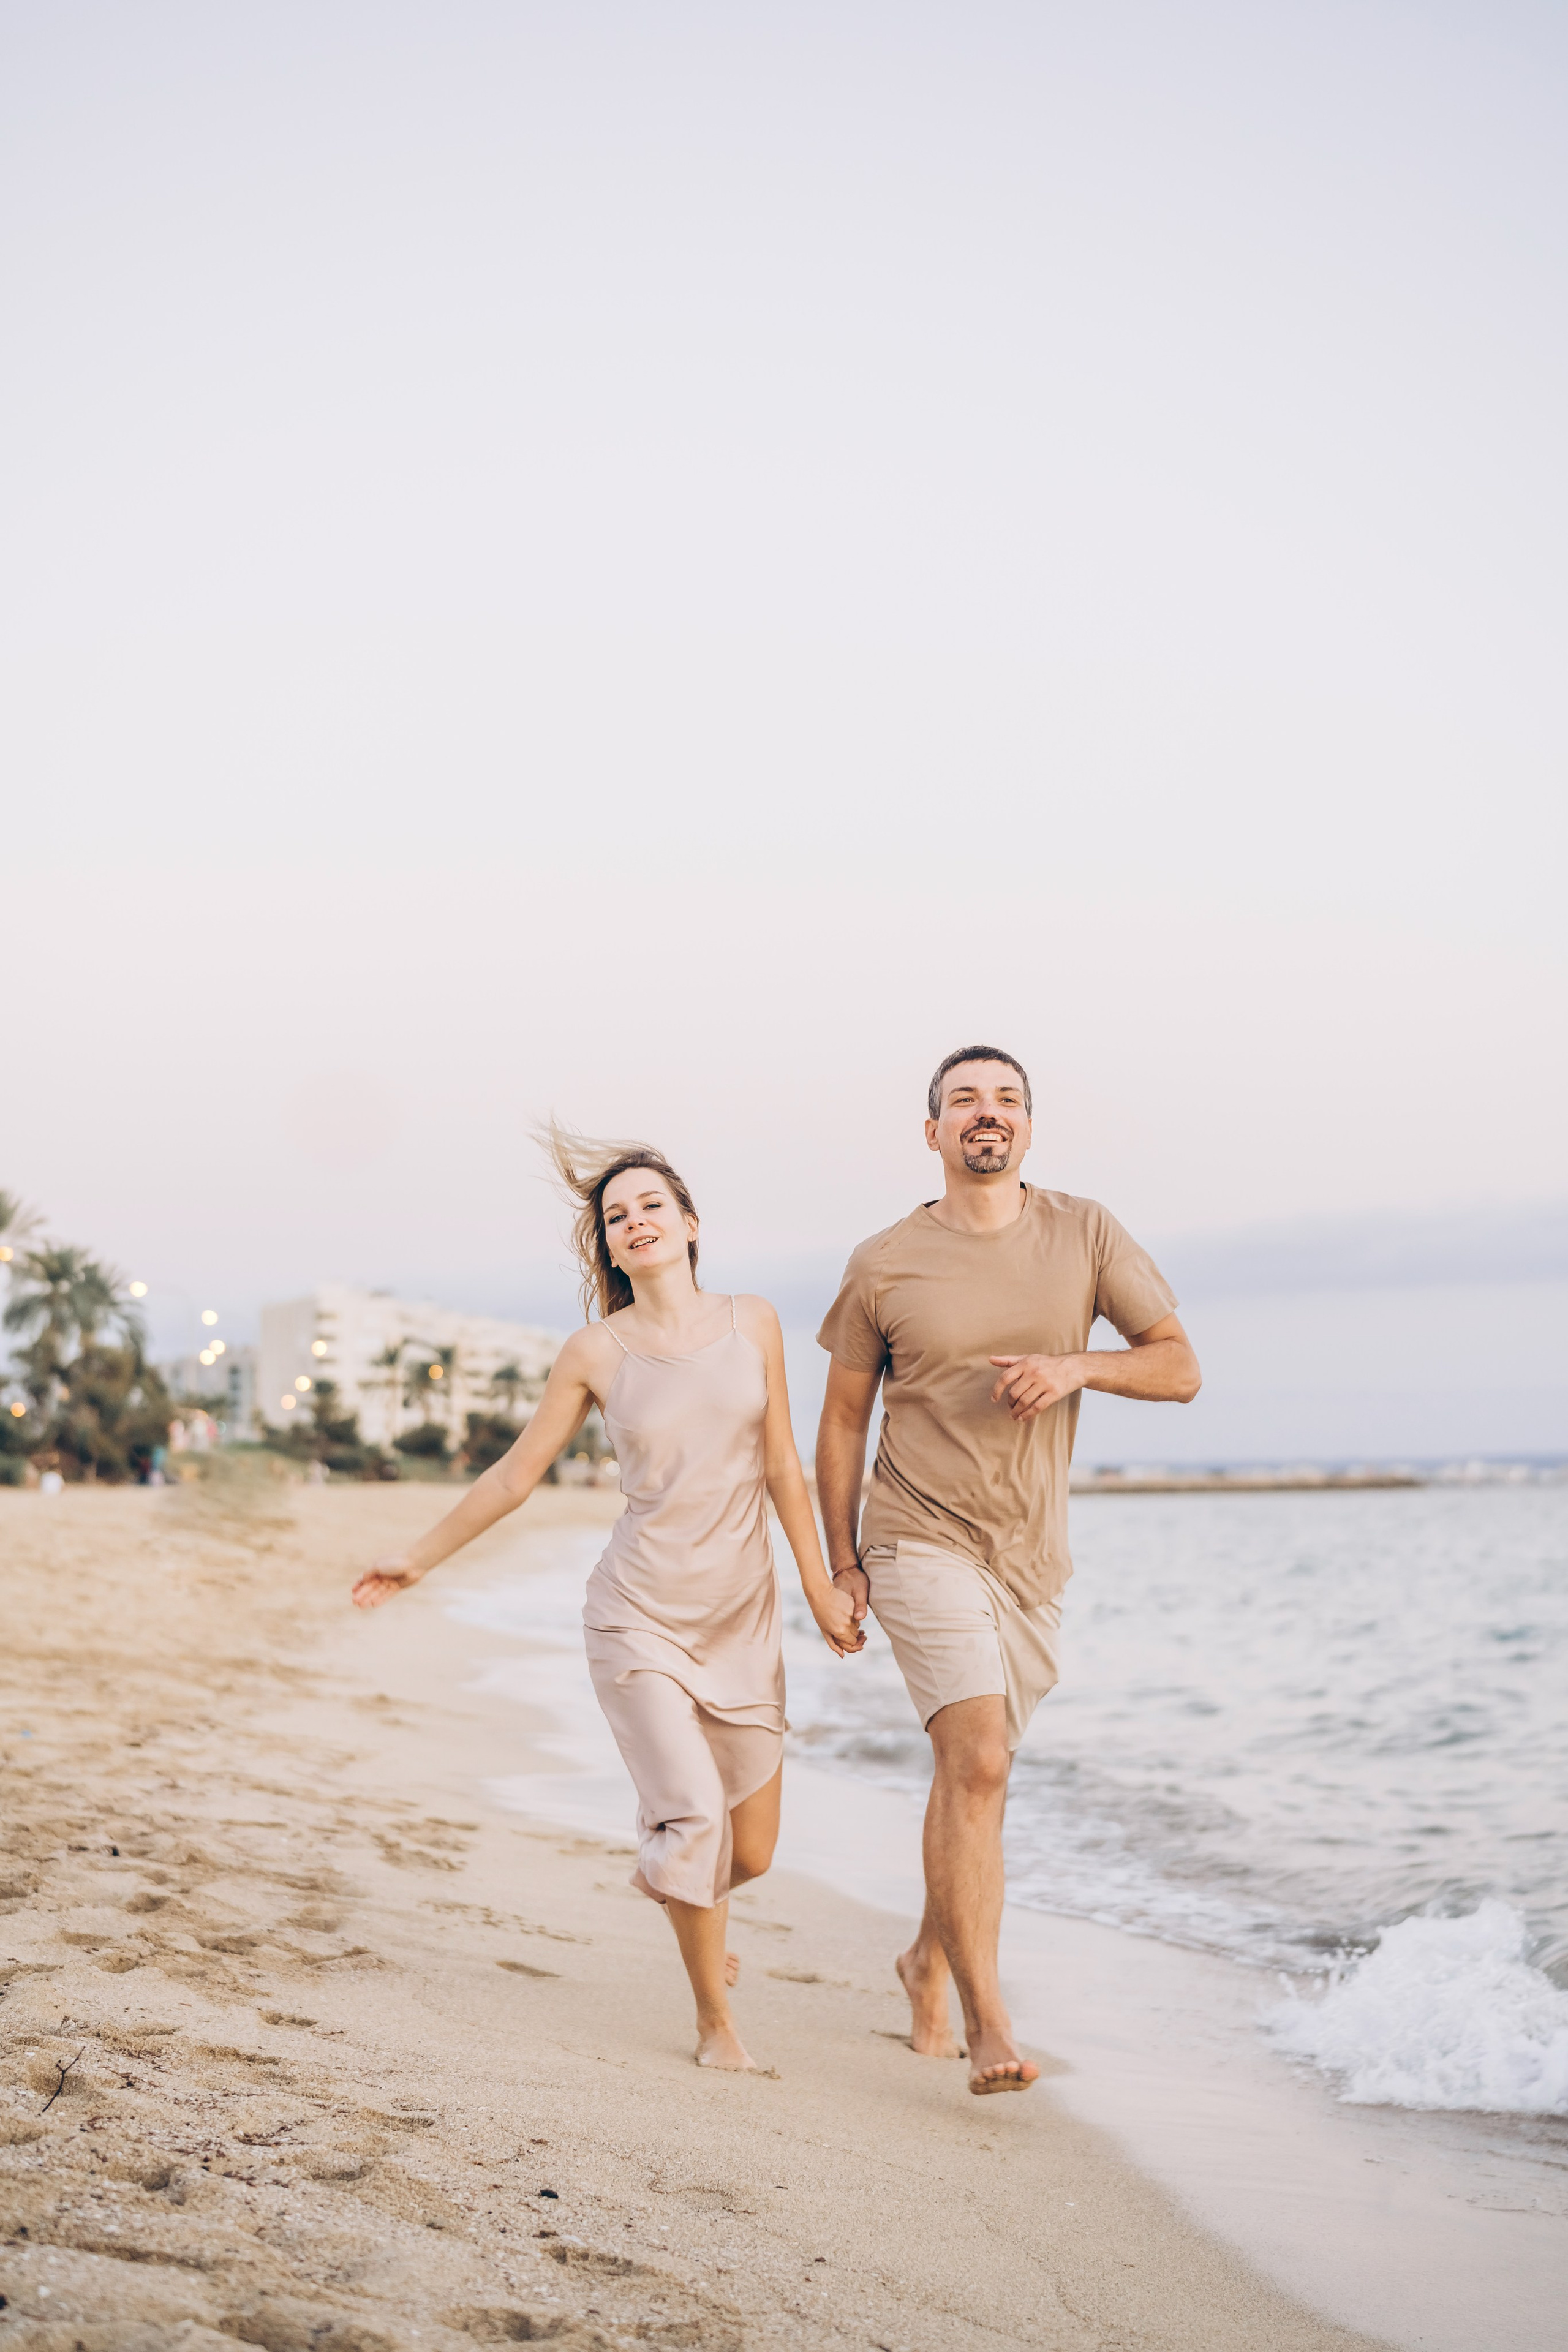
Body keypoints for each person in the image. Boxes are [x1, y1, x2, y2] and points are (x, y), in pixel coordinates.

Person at [352, 1128, 862, 2072]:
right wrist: (419, 1557)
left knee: (749, 1853)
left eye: (651, 1207)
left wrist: (824, 1586)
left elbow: (785, 1467)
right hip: (637, 1617)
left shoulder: (754, 1322)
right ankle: (716, 2026)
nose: (636, 1223)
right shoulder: (595, 1350)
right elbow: (515, 1477)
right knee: (699, 1827)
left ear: (691, 1224)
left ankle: (674, 1873)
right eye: (617, 1217)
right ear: (610, 1248)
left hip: (743, 1622)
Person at [815, 1047, 1200, 2095]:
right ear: (933, 1132)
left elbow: (1179, 1367)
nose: (988, 1114)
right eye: (964, 1102)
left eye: (1008, 1100)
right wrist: (841, 1563)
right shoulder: (883, 1261)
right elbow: (844, 1418)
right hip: (915, 1532)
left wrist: (1077, 1364)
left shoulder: (1086, 1233)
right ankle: (991, 2021)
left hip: (1031, 1558)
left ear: (1029, 1127)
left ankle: (925, 1961)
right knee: (978, 1760)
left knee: (974, 1775)